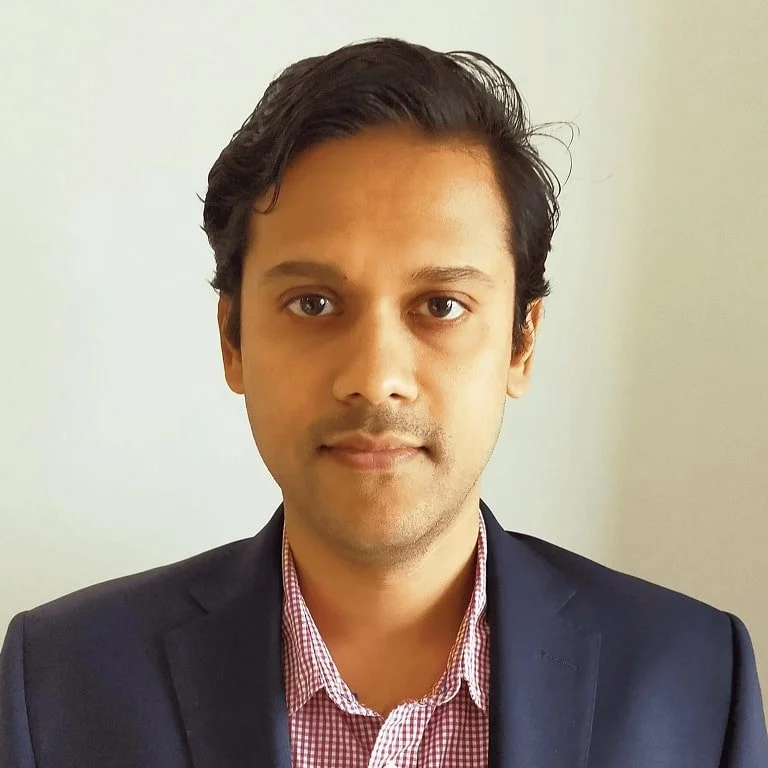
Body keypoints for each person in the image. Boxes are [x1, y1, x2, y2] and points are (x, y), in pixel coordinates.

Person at [1, 36, 766, 768]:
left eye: (439, 306)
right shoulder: (60, 684)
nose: (374, 376)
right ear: (233, 339)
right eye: (312, 304)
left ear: (520, 344)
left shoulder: (695, 681)